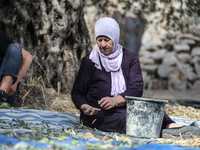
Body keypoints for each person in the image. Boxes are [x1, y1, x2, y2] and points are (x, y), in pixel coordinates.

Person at [71, 17, 199, 138]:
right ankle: (170, 132)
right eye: (99, 40)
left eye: (106, 40)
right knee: (127, 119)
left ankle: (175, 127)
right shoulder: (90, 61)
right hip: (98, 114)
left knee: (153, 111)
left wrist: (115, 100)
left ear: (115, 38)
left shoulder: (130, 58)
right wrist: (83, 105)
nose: (103, 45)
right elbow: (77, 92)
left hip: (126, 106)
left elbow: (136, 88)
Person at [0, 31, 33, 109]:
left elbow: (28, 57)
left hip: (6, 91)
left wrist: (15, 82)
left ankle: (2, 94)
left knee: (15, 48)